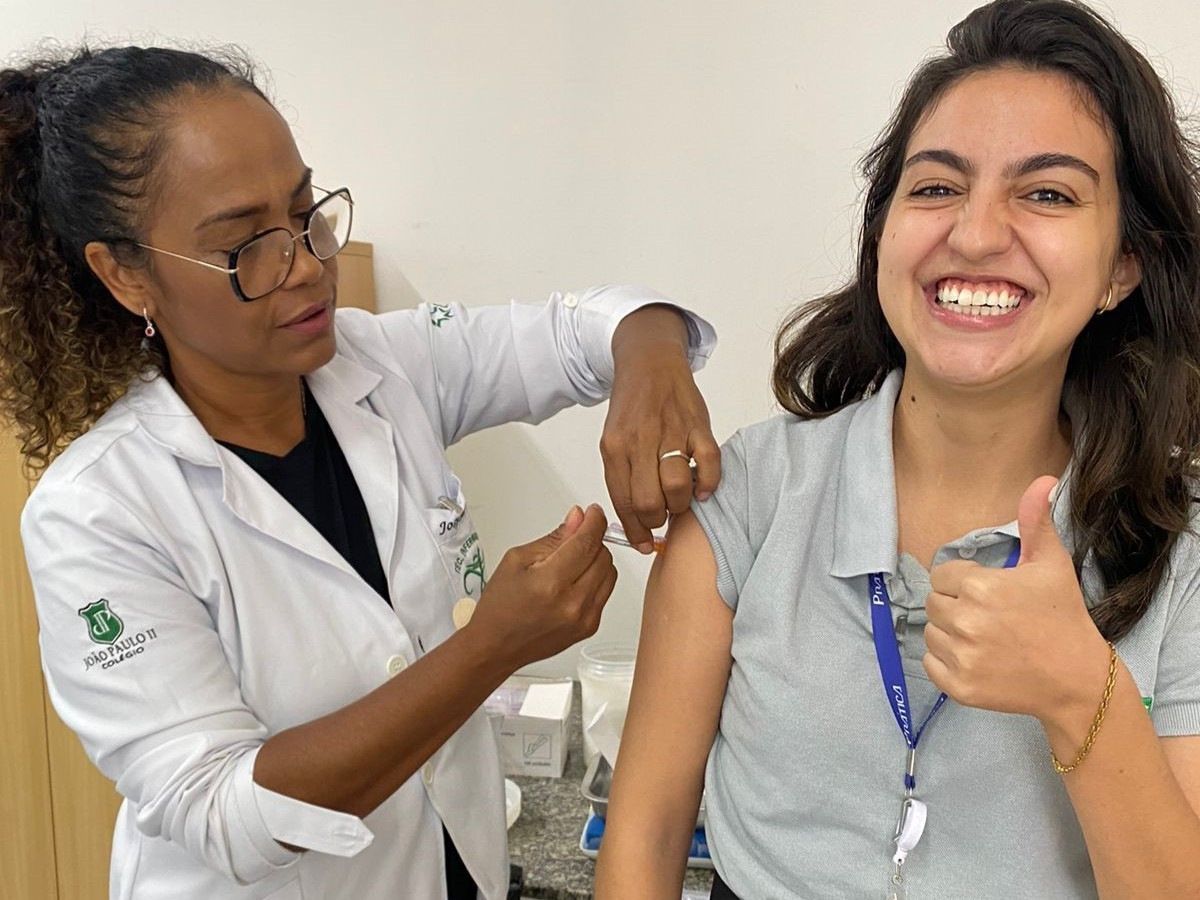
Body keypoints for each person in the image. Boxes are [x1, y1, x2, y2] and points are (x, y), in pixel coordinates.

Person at [0, 46, 722, 900]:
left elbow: (585, 329)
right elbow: (222, 811)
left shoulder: (385, 366)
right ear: (125, 276)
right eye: (246, 247)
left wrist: (651, 359)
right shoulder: (98, 511)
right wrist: (492, 648)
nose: (305, 264)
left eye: (308, 212)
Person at [595, 1, 1200, 897]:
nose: (976, 232)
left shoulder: (1178, 550)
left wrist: (1082, 696)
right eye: (935, 186)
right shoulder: (750, 494)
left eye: (1047, 193)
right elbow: (643, 840)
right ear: (883, 233)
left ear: (1123, 266)